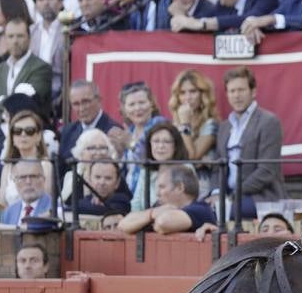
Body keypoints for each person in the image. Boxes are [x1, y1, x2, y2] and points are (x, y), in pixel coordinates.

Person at [211, 67, 281, 218]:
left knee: (225, 212)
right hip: (229, 196)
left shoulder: (269, 121)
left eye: (241, 90)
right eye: (232, 91)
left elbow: (267, 170)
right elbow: (217, 168)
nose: (236, 96)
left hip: (261, 197)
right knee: (202, 210)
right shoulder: (224, 127)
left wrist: (234, 194)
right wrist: (217, 192)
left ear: (253, 92)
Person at [118, 162, 215, 234]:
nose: (157, 193)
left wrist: (150, 217)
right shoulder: (158, 208)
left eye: (162, 187)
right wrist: (151, 214)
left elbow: (162, 223)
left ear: (179, 188)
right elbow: (123, 225)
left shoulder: (201, 209)